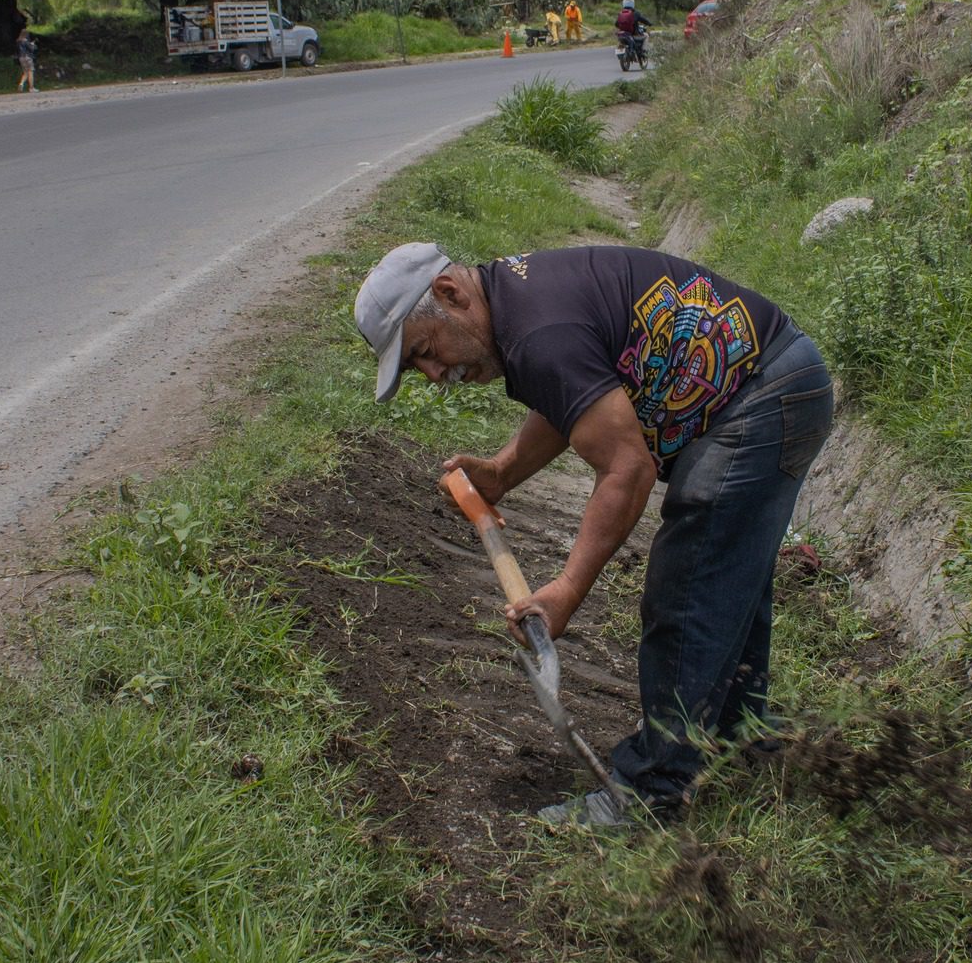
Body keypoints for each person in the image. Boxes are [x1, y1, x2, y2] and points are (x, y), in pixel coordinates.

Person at [353, 243, 834, 826]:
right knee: (729, 576)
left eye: (425, 351)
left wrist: (568, 588)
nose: (435, 375)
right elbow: (576, 399)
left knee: (691, 586)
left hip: (763, 396)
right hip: (782, 379)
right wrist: (502, 473)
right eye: (415, 368)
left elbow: (627, 467)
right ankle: (741, 734)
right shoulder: (520, 305)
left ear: (451, 295)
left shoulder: (537, 329)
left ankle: (650, 794)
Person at [16, 23, 38, 94]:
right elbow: (31, 49)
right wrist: (32, 45)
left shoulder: (18, 41)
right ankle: (31, 88)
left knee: (25, 72)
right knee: (31, 71)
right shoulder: (25, 41)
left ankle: (21, 84)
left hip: (21, 58)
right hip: (27, 57)